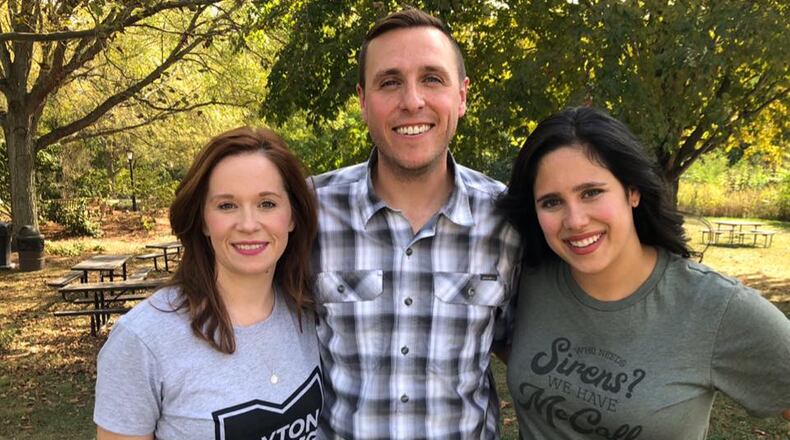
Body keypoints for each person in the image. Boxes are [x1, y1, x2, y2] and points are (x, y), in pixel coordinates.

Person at [498, 106, 790, 439]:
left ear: (632, 191)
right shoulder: (530, 277)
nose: (575, 220)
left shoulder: (717, 307)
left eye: (591, 192)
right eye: (552, 202)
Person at [310, 7, 521, 439]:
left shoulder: (509, 220)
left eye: (432, 78)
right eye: (389, 82)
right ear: (363, 100)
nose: (412, 100)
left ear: (461, 96)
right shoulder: (308, 212)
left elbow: (520, 343)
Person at [94, 127, 322, 439]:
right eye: (226, 205)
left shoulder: (307, 311)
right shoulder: (143, 340)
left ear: (293, 216)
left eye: (267, 203)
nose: (248, 224)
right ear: (203, 219)